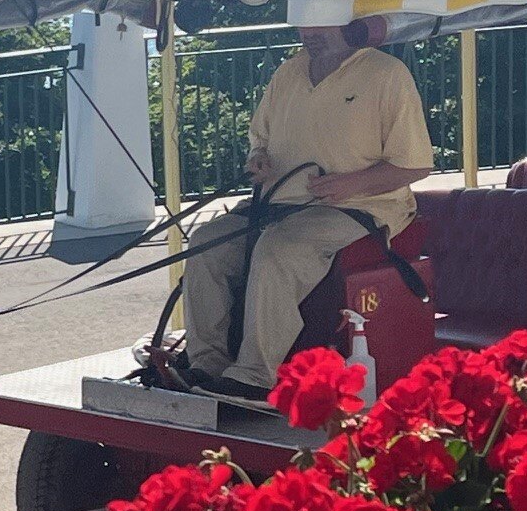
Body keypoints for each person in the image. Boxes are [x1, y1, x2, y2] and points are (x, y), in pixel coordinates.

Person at [179, 23, 434, 397]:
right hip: (278, 202)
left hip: (359, 205)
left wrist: (352, 183)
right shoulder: (290, 70)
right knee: (206, 242)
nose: (308, 31)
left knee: (279, 248)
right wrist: (258, 158)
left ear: (348, 19)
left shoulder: (386, 74)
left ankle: (253, 377)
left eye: (320, 21)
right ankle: (206, 366)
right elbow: (260, 138)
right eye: (303, 21)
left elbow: (414, 166)